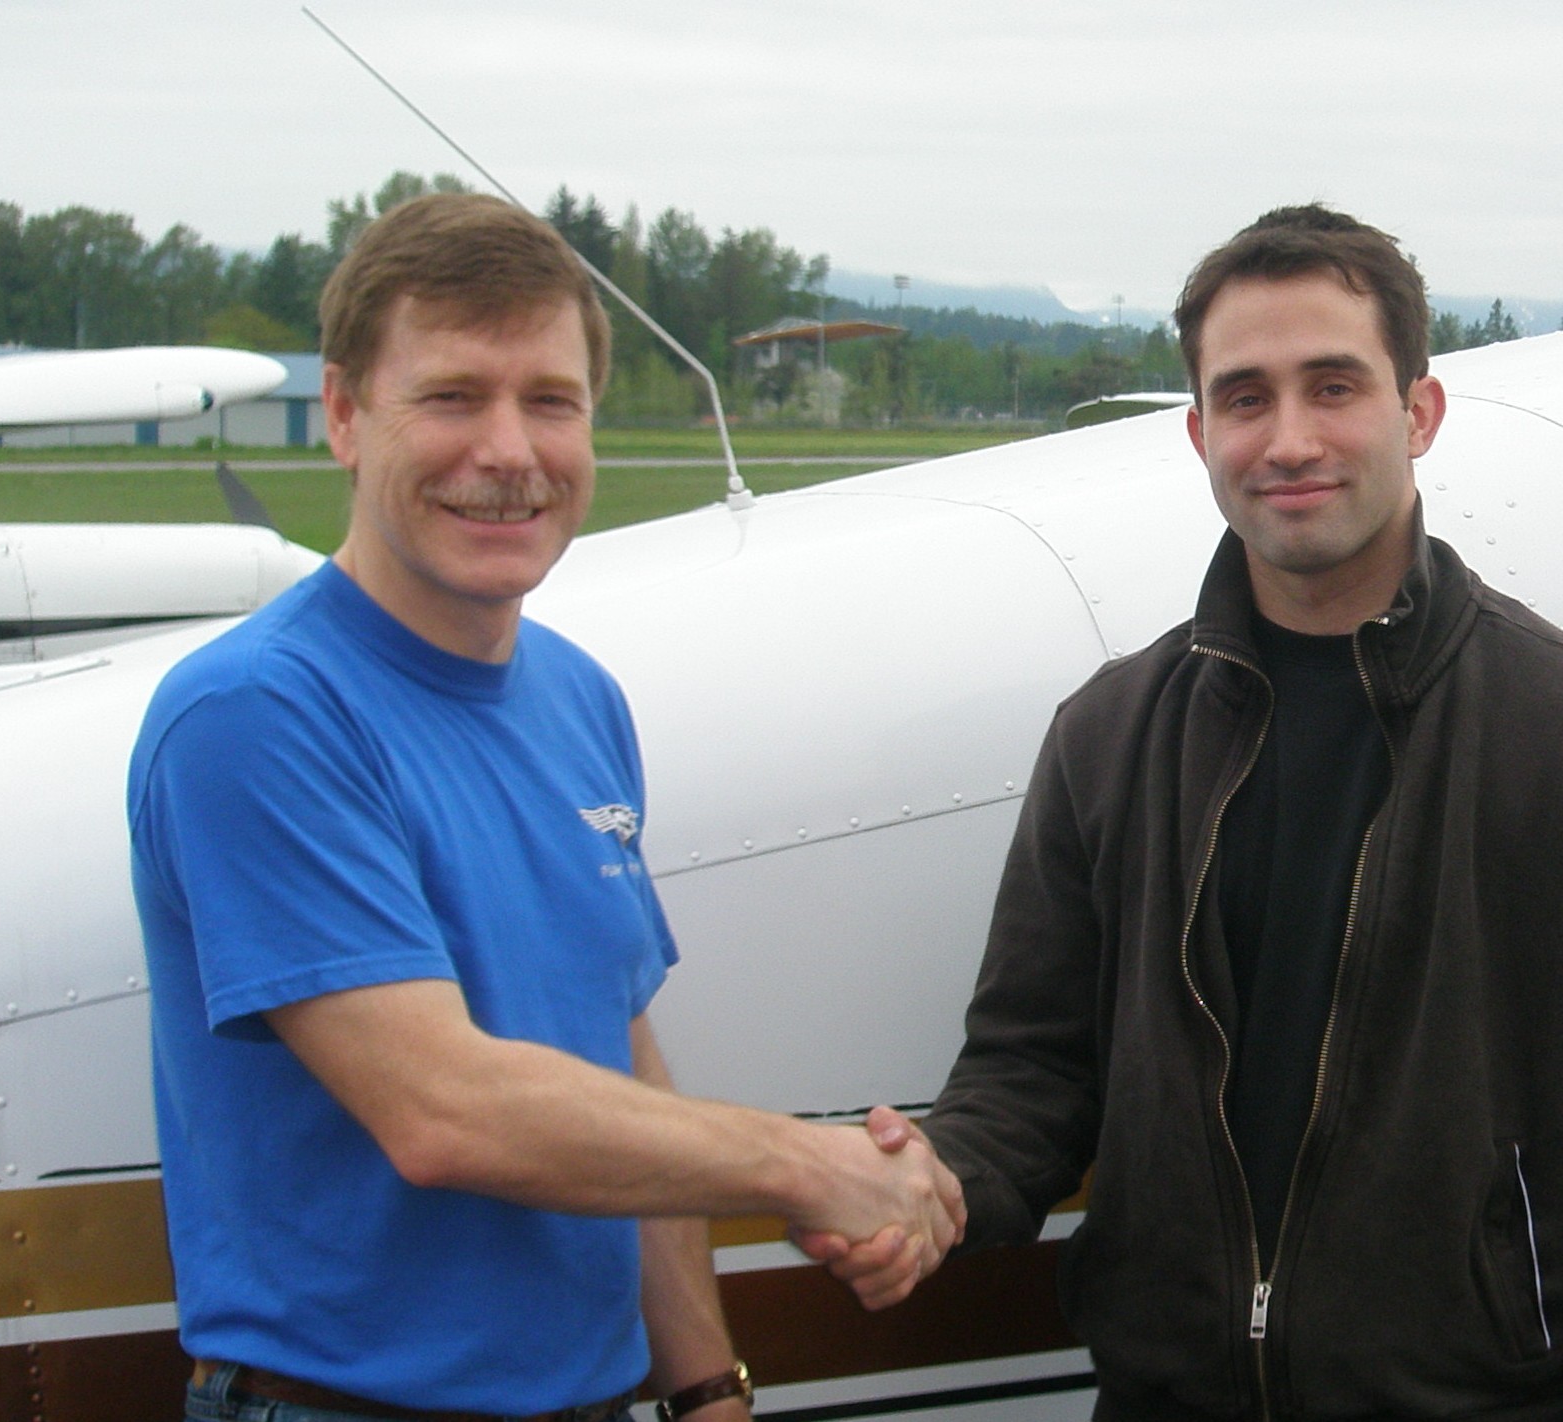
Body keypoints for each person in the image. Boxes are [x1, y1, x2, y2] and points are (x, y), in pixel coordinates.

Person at [819, 205, 1563, 1420]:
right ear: (1198, 430)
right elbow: (1031, 1072)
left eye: (1334, 387)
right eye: (1247, 397)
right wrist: (932, 1182)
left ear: (1418, 414)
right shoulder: (1108, 736)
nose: (1290, 439)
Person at [129, 193, 961, 1422]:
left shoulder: (579, 699)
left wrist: (705, 1390)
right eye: (453, 396)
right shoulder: (258, 713)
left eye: (551, 401)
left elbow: (616, 1061)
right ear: (347, 415)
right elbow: (442, 1112)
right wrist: (806, 1164)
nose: (510, 452)